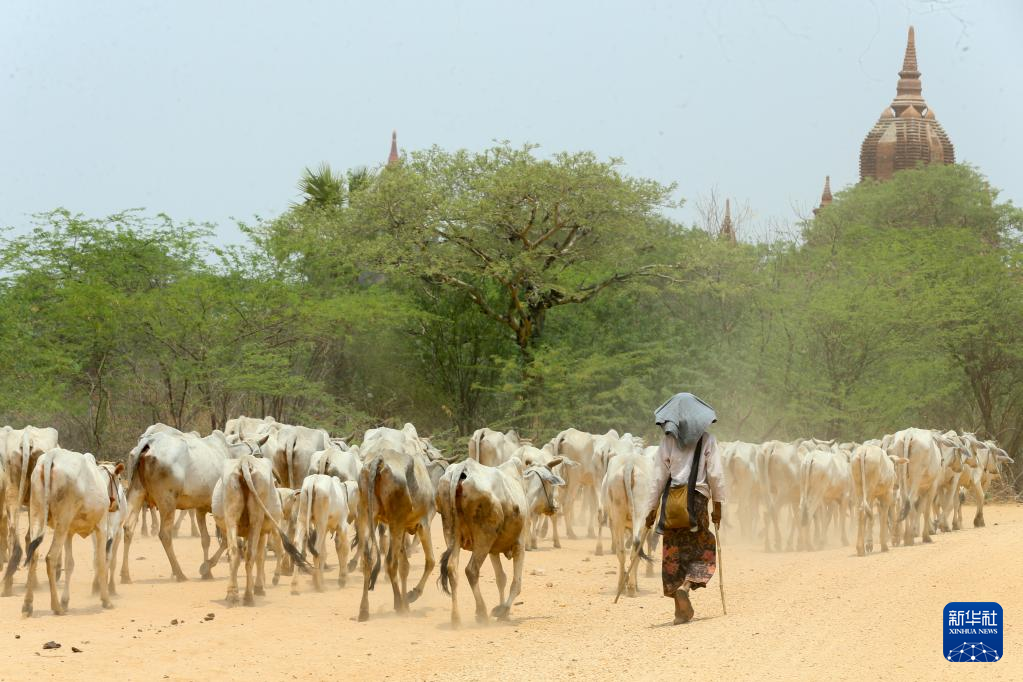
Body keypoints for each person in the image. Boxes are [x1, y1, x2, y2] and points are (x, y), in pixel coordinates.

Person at [644, 392, 727, 624]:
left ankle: (680, 612)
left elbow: (658, 478)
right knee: (703, 546)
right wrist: (718, 506)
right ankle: (687, 586)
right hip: (697, 502)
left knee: (673, 552)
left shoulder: (667, 442)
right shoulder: (707, 440)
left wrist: (651, 510)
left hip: (671, 503)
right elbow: (716, 475)